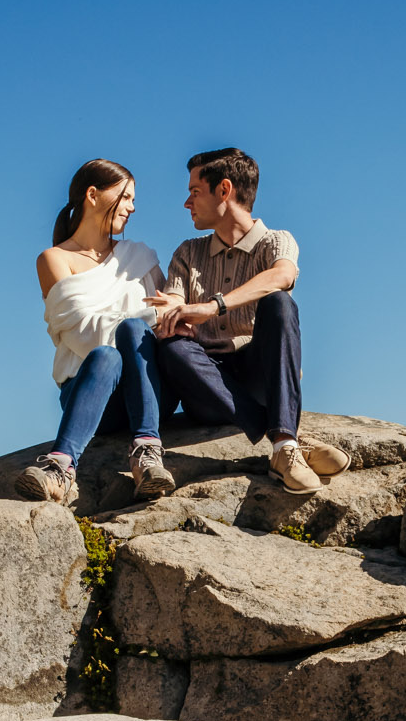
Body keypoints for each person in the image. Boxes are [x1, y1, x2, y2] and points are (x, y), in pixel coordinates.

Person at [147, 147, 351, 494]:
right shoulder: (187, 252)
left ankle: (283, 446)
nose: (186, 203)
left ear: (224, 190)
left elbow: (282, 276)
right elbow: (174, 310)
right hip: (208, 386)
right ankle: (289, 439)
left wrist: (212, 307)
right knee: (171, 346)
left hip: (259, 374)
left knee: (280, 304)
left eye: (194, 192)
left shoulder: (276, 241)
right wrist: (175, 314)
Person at [15, 159, 178, 506]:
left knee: (134, 329)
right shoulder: (54, 259)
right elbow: (84, 336)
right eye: (126, 197)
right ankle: (60, 468)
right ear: (93, 195)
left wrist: (141, 320)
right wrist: (150, 313)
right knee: (106, 353)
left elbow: (168, 324)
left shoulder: (140, 257)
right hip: (91, 395)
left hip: (149, 390)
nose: (133, 207)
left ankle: (148, 453)